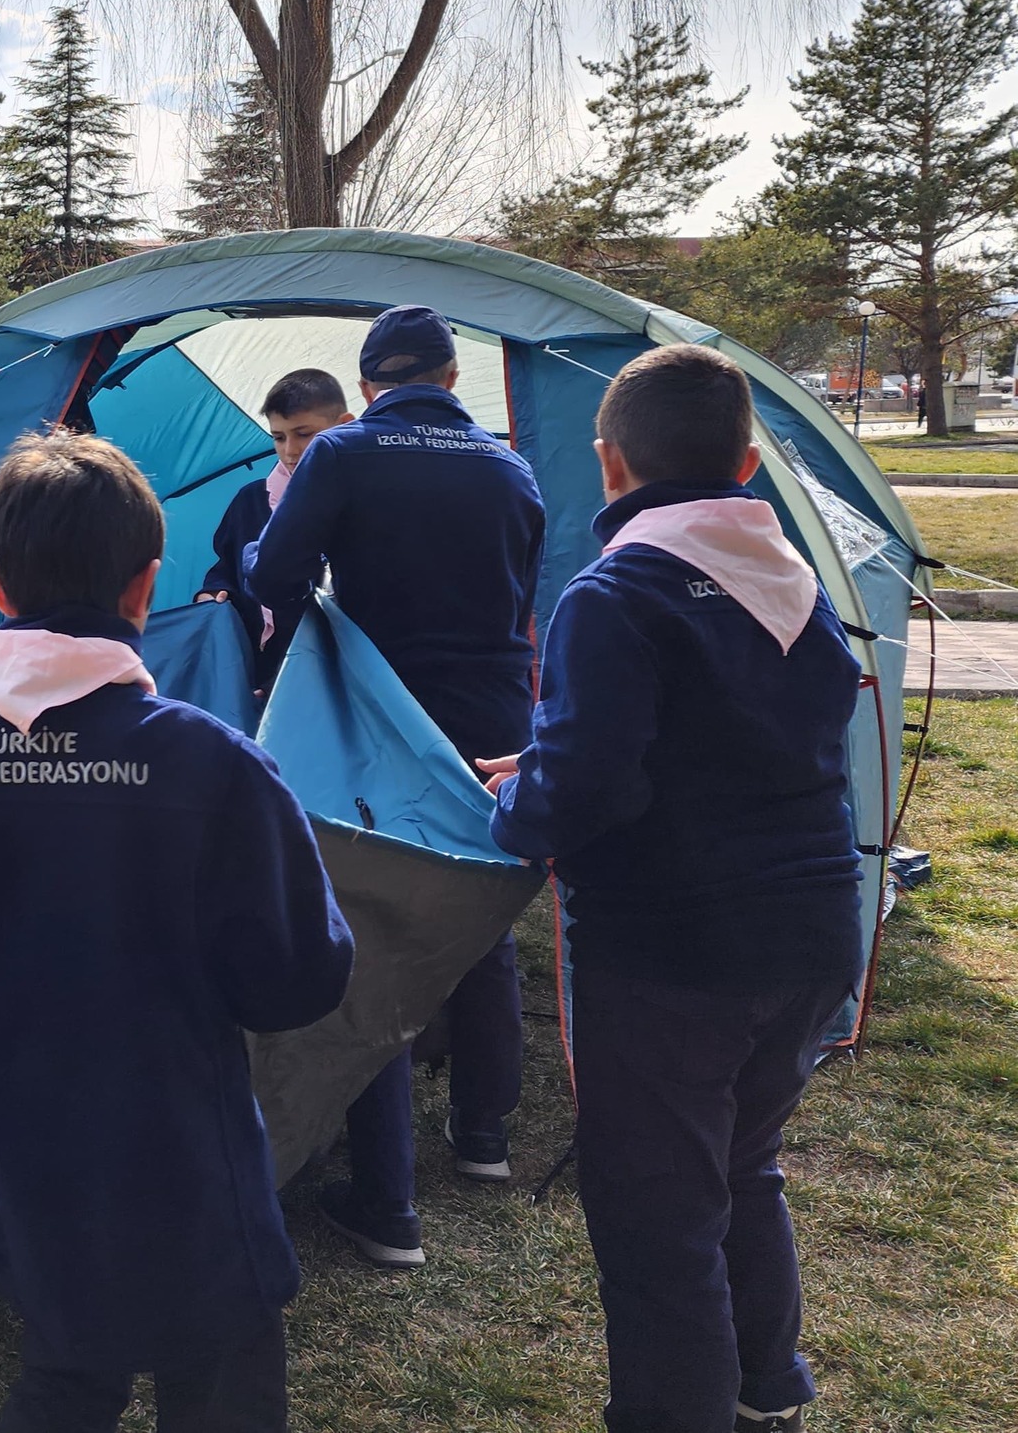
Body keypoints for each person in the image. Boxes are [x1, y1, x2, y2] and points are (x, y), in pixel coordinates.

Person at [0, 432, 354, 1433]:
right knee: (223, 1367)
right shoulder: (209, 764)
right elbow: (298, 976)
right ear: (146, 587)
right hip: (183, 1151)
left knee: (66, 1352)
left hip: (12, 1139)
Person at [482, 345, 862, 1433]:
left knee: (656, 1210)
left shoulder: (613, 592)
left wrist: (514, 804)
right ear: (746, 462)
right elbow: (732, 738)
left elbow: (584, 792)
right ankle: (764, 1386)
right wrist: (550, 759)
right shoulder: (798, 585)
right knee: (744, 1163)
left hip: (674, 953)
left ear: (608, 465)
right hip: (808, 928)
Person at [245, 304, 546, 1268]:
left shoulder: (341, 454)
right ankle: (486, 1135)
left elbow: (276, 574)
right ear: (454, 380)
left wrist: (260, 563)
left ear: (369, 386)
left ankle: (387, 1196)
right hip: (496, 716)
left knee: (370, 922)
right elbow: (522, 589)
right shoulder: (512, 466)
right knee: (480, 910)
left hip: (384, 718)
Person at [196, 369, 353, 689]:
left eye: (304, 434)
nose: (290, 451)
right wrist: (212, 592)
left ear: (344, 425)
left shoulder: (364, 500)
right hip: (261, 673)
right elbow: (226, 568)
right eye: (278, 437)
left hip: (340, 676)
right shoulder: (251, 501)